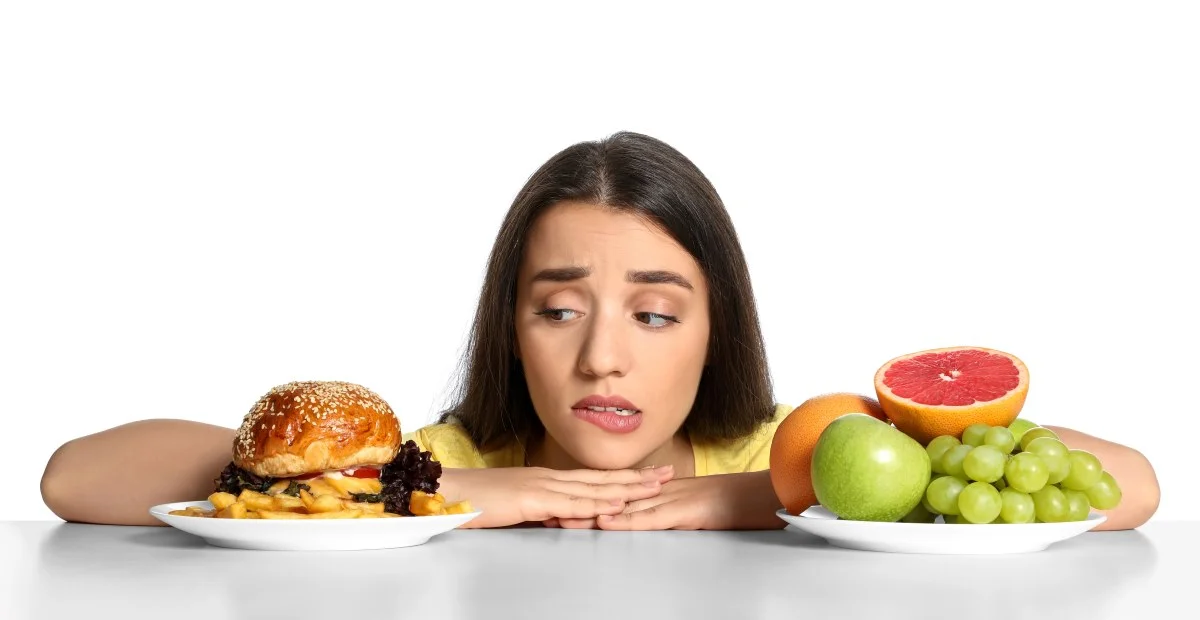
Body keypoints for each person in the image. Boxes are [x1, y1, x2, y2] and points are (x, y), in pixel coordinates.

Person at [39, 132, 1161, 531]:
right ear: (510, 327)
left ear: (717, 330)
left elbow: (1132, 486)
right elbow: (73, 478)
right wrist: (433, 494)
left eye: (655, 313)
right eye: (559, 309)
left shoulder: (784, 453)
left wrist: (775, 496)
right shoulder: (442, 462)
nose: (603, 356)